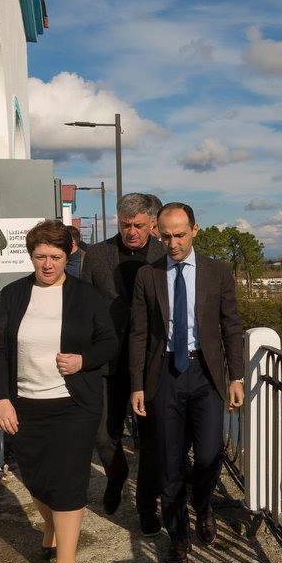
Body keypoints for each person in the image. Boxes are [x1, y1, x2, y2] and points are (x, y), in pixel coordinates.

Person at [0, 219, 117, 563]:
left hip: (74, 405)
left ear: (67, 256)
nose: (47, 264)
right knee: (36, 477)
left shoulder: (85, 296)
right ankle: (50, 526)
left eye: (55, 257)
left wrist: (83, 360)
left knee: (69, 480)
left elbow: (109, 342)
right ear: (31, 256)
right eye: (40, 256)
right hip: (26, 405)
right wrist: (1, 398)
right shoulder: (11, 296)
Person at [129, 202, 247, 563]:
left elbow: (231, 326)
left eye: (180, 235)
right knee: (170, 460)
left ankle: (203, 503)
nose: (173, 243)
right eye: (166, 236)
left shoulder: (217, 272)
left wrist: (237, 377)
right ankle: (178, 533)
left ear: (195, 230)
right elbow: (139, 334)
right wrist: (137, 385)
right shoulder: (148, 276)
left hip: (206, 373)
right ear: (157, 234)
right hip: (164, 374)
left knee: (210, 454)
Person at [80, 192, 167, 529]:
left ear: (152, 223)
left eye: (139, 225)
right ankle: (117, 475)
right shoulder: (96, 255)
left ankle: (146, 507)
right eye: (125, 224)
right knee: (104, 436)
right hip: (108, 361)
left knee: (151, 440)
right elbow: (84, 305)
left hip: (151, 361)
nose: (131, 231)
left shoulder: (164, 254)